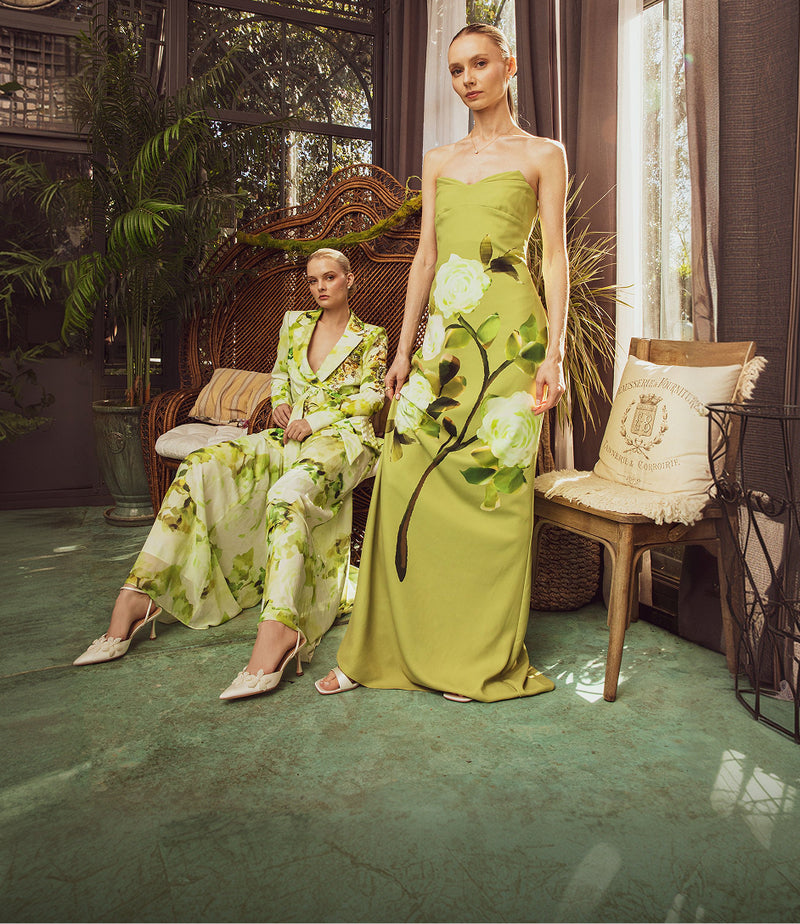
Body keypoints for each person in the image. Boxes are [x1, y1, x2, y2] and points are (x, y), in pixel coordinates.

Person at [316, 23, 569, 702]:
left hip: (514, 341)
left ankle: (473, 659)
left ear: (508, 66)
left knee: (494, 496)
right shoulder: (437, 159)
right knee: (402, 475)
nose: (468, 79)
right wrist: (402, 351)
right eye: (457, 69)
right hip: (443, 343)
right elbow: (425, 257)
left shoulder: (545, 153)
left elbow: (553, 258)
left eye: (480, 64)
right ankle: (376, 653)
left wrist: (557, 354)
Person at [74, 248, 388, 702]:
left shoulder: (370, 336)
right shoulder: (295, 325)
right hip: (287, 434)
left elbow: (374, 397)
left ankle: (279, 630)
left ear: (349, 280)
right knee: (200, 464)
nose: (321, 286)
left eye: (330, 278)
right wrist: (281, 402)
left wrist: (315, 421)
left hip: (344, 442)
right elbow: (281, 374)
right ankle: (140, 595)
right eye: (313, 279)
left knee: (287, 495)